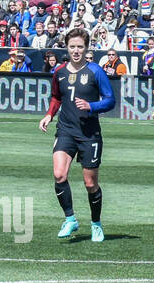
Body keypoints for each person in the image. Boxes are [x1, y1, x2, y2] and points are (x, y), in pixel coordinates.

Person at [38, 27, 116, 242]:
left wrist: (91, 106)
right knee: (59, 174)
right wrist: (49, 115)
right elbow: (56, 97)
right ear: (67, 47)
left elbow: (110, 100)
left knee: (90, 184)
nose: (76, 51)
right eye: (72, 46)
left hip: (89, 133)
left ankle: (96, 223)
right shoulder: (60, 71)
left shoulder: (95, 71)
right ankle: (70, 219)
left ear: (86, 48)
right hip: (66, 130)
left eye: (80, 47)